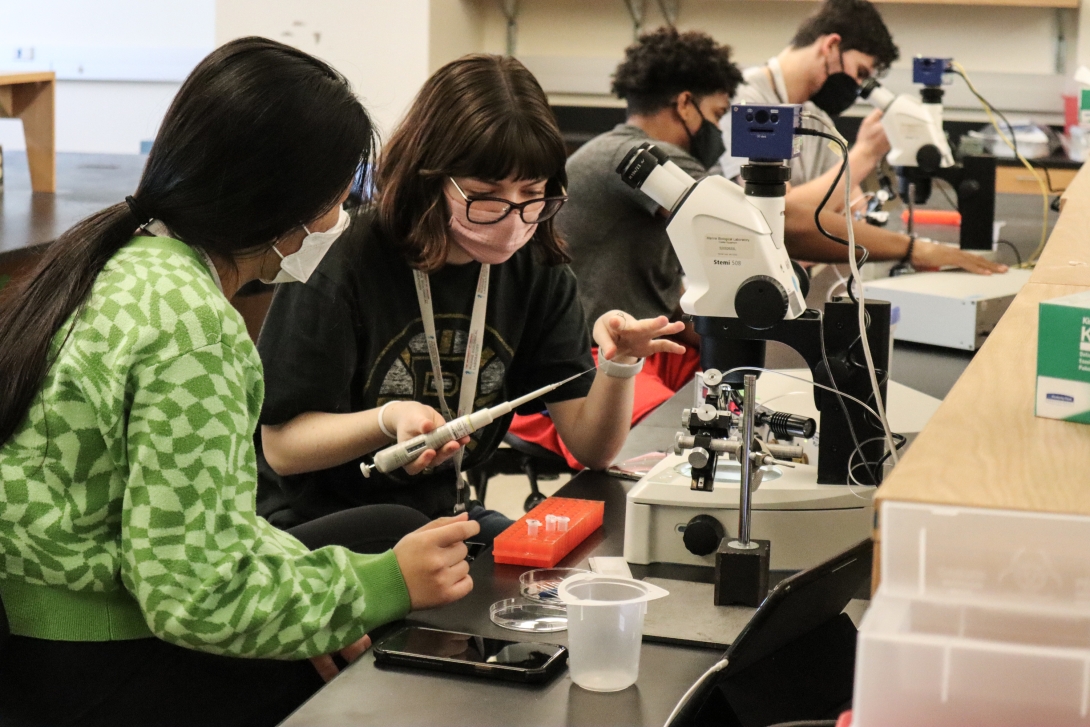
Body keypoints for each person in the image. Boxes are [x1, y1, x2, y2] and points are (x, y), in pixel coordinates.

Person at [0, 38, 478, 727]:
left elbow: (187, 529)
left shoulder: (111, 261)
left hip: (39, 639)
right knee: (394, 588)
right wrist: (380, 587)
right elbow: (193, 597)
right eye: (335, 202)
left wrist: (323, 603)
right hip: (93, 666)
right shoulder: (196, 331)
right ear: (281, 206)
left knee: (389, 527)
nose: (337, 223)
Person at [256, 54, 683, 542]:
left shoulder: (537, 271)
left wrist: (619, 363)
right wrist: (387, 420)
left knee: (556, 576)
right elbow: (282, 448)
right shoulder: (343, 261)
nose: (513, 220)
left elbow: (592, 450)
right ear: (429, 176)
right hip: (314, 526)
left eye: (533, 193)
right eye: (485, 195)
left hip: (440, 514)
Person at [721, 0, 898, 212]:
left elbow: (853, 203)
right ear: (831, 45)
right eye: (860, 73)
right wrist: (866, 153)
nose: (857, 87)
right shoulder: (746, 103)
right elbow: (778, 211)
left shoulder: (814, 115)